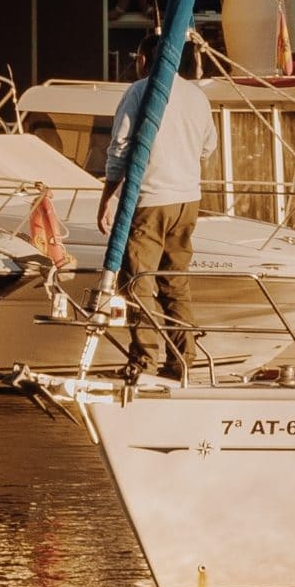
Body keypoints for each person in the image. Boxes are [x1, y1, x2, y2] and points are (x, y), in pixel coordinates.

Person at [98, 33, 217, 377]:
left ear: (143, 61)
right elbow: (208, 147)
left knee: (139, 281)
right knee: (175, 281)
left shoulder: (140, 92)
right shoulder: (197, 96)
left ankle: (144, 359)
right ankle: (184, 357)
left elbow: (120, 147)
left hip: (150, 200)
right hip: (187, 200)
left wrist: (108, 197)